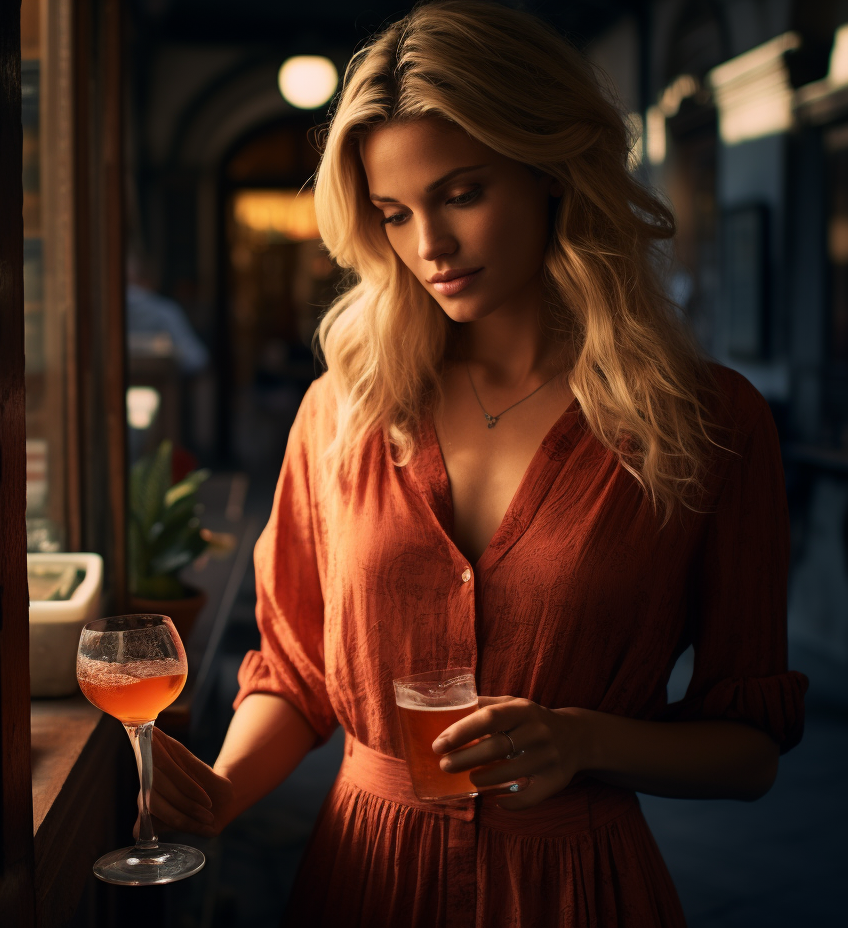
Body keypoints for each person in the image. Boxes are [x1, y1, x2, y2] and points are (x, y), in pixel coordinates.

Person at [146, 3, 807, 925]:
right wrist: (220, 792)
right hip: (361, 883)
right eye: (393, 214)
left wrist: (582, 740)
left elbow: (750, 752)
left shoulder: (707, 421)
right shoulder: (343, 411)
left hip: (577, 893)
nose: (429, 247)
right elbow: (295, 674)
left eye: (461, 193)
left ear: (551, 174)